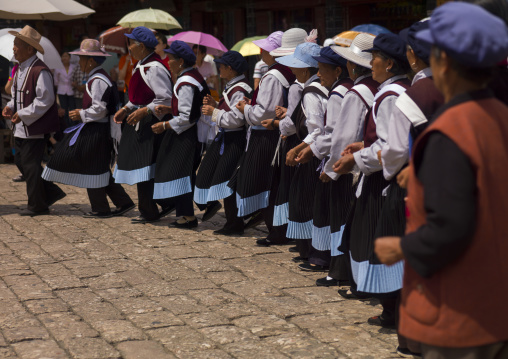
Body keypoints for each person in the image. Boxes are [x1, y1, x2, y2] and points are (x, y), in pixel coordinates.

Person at [375, 3, 508, 358]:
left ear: (443, 61)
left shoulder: (451, 131)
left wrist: (401, 248)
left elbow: (450, 227)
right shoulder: (498, 115)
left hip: (460, 308)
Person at [333, 33, 411, 328]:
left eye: (375, 58)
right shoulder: (397, 90)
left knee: (381, 240)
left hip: (383, 180)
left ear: (389, 64)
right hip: (384, 173)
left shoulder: (391, 96)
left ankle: (392, 309)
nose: (371, 63)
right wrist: (363, 148)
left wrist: (358, 159)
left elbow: (393, 146)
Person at [297, 33, 377, 282]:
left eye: (322, 70)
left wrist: (332, 168)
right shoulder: (372, 88)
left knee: (339, 216)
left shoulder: (351, 92)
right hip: (364, 161)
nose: (318, 75)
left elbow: (340, 136)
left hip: (349, 164)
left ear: (347, 68)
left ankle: (339, 269)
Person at [41, 39, 135, 219]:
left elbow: (100, 109)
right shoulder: (97, 77)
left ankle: (101, 208)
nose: (80, 62)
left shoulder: (98, 80)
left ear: (91, 61)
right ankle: (124, 202)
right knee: (98, 167)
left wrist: (81, 114)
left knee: (93, 166)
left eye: (82, 59)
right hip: (97, 129)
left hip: (97, 131)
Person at [234, 30, 296, 241]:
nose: (261, 51)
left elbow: (264, 112)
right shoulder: (288, 71)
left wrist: (245, 109)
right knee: (276, 182)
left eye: (266, 48)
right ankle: (279, 227)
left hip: (268, 134)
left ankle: (275, 230)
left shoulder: (272, 76)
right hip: (280, 130)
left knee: (267, 182)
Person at [1, 26, 66, 216]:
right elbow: (16, 96)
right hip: (21, 126)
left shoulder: (40, 71)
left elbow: (45, 100)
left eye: (17, 44)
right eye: (14, 44)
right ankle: (51, 192)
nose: (13, 48)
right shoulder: (20, 69)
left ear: (30, 49)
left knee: (29, 166)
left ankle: (37, 205)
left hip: (35, 127)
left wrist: (23, 113)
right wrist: (11, 107)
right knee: (23, 163)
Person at [113, 26, 174, 224]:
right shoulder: (142, 65)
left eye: (131, 44)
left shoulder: (154, 68)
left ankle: (152, 209)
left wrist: (143, 111)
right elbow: (141, 96)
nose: (129, 48)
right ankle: (154, 207)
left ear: (141, 46)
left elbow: (164, 98)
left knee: (144, 167)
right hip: (139, 120)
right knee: (141, 166)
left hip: (150, 122)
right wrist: (127, 108)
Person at [275, 42, 328, 261]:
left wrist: (299, 149)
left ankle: (312, 252)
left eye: (295, 67)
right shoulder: (321, 88)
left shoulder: (310, 93)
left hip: (313, 155)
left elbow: (316, 130)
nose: (292, 71)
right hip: (317, 152)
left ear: (305, 70)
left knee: (304, 202)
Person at [152, 40, 210, 228]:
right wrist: (170, 108)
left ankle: (192, 214)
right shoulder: (192, 76)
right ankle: (191, 211)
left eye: (171, 58)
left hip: (187, 135)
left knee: (180, 173)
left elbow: (187, 117)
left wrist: (165, 125)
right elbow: (191, 108)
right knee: (184, 173)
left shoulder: (186, 82)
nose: (168, 61)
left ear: (181, 62)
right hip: (191, 132)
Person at [196, 50, 252, 235]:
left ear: (230, 68)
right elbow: (229, 110)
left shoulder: (240, 89)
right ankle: (225, 215)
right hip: (225, 139)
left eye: (222, 65)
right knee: (216, 177)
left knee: (228, 182)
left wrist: (213, 111)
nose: (219, 68)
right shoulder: (233, 86)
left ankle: (234, 223)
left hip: (234, 139)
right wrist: (216, 104)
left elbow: (236, 120)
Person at [54, 52, 76, 128]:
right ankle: (66, 127)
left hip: (71, 91)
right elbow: (56, 82)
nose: (64, 58)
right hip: (61, 91)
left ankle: (73, 126)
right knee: (64, 111)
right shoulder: (58, 68)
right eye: (63, 56)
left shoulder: (74, 67)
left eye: (66, 56)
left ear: (70, 57)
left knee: (72, 109)